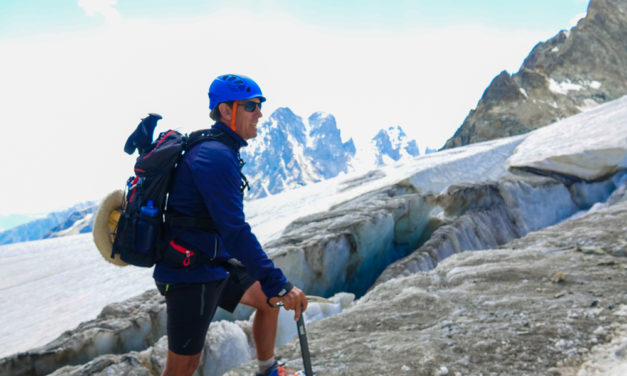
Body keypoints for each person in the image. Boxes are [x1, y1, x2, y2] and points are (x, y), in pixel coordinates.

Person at [154, 74, 308, 376]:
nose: (260, 113)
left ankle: (268, 369)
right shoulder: (215, 157)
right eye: (251, 106)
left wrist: (273, 285)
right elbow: (235, 230)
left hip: (212, 259)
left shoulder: (219, 149)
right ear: (226, 111)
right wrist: (278, 281)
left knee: (269, 301)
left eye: (260, 105)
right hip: (190, 271)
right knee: (183, 366)